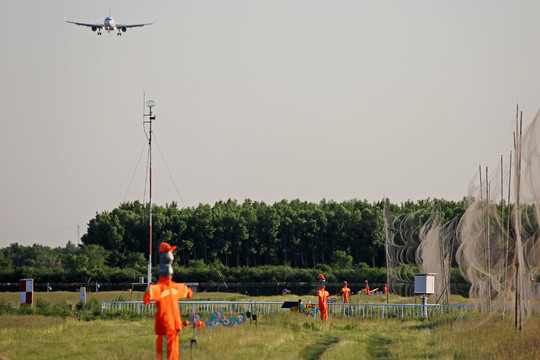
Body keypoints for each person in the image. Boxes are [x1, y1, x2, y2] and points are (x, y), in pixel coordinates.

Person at [144, 242, 194, 360]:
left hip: (173, 331)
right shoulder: (164, 288)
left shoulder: (172, 287)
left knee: (173, 356)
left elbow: (187, 291)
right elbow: (151, 291)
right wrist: (148, 295)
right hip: (166, 330)